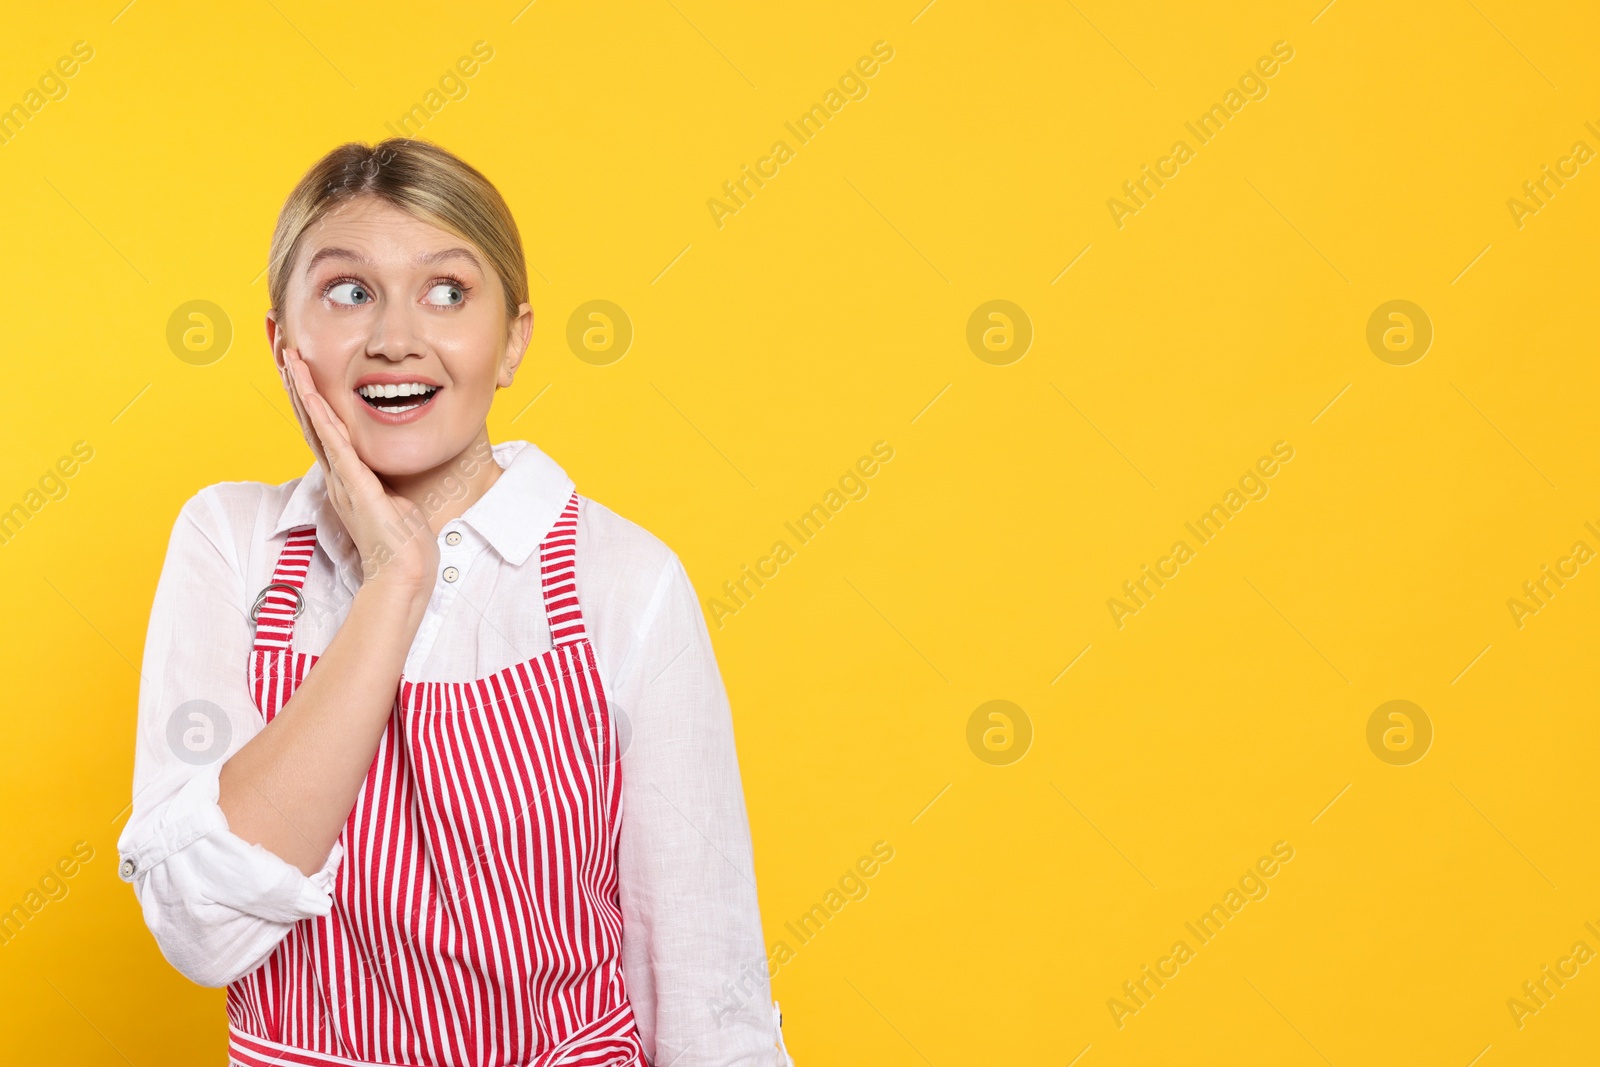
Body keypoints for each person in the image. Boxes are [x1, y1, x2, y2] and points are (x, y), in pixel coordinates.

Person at [116, 138, 794, 1067]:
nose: (397, 337)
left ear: (512, 340)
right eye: (349, 291)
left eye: (447, 291)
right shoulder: (234, 547)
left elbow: (705, 983)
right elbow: (204, 930)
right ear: (283, 343)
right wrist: (396, 578)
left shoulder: (623, 582)